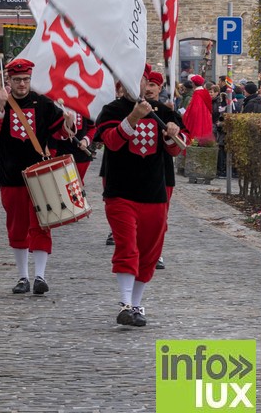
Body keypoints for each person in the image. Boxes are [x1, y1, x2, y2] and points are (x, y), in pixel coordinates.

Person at [95, 64, 186, 327]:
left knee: (148, 253)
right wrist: (133, 117)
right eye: (131, 80)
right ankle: (124, 303)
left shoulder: (164, 112)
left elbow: (177, 149)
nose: (138, 85)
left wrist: (172, 134)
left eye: (143, 80)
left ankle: (136, 305)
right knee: (127, 246)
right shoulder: (112, 110)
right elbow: (112, 142)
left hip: (153, 193)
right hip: (121, 193)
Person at [0, 58, 76, 295]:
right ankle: (23, 276)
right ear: (9, 80)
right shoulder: (0, 102)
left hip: (40, 176)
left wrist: (68, 123)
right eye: (17, 80)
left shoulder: (42, 103)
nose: (22, 84)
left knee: (42, 225)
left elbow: (61, 133)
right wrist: (0, 107)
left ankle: (40, 276)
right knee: (17, 226)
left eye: (25, 79)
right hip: (10, 175)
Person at [145, 70, 188, 269]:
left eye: (152, 85)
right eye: (145, 84)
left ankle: (156, 252)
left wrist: (172, 132)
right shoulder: (126, 111)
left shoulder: (167, 112)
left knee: (159, 217)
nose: (148, 89)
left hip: (162, 172)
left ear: (160, 87)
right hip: (134, 172)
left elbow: (181, 143)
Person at [48, 112, 96, 183]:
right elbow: (52, 131)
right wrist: (66, 130)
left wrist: (86, 140)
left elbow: (93, 128)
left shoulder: (84, 110)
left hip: (81, 155)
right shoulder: (56, 109)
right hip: (61, 154)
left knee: (78, 184)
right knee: (63, 185)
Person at [182, 75, 213, 141]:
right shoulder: (205, 92)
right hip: (206, 119)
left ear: (193, 84)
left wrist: (185, 115)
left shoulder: (197, 94)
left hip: (197, 121)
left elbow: (194, 110)